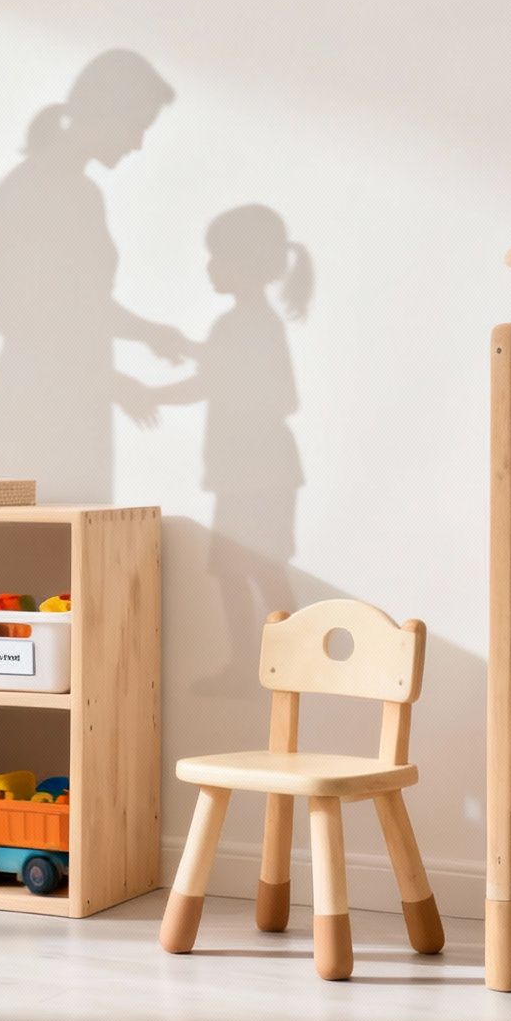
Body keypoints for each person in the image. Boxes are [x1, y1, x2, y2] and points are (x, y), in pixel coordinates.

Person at [0, 49, 185, 503]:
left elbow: (79, 305)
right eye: (137, 127)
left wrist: (148, 333)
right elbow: (22, 316)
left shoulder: (80, 192)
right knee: (44, 565)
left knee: (77, 565)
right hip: (35, 419)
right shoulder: (34, 191)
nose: (137, 144)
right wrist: (114, 382)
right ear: (107, 113)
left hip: (74, 416)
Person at [150, 204, 310, 691]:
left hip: (255, 470)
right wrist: (199, 357)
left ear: (244, 263)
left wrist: (150, 392)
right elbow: (226, 374)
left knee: (255, 566)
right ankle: (261, 664)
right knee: (239, 569)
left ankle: (285, 663)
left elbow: (228, 384)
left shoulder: (245, 324)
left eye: (217, 257)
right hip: (253, 469)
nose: (209, 267)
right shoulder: (250, 324)